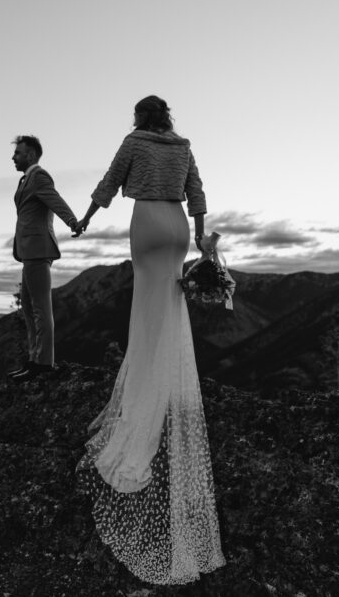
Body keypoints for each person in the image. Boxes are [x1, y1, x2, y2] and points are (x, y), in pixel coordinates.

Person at [73, 96, 225, 584]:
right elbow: (197, 192)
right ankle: (167, 380)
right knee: (170, 304)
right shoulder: (182, 146)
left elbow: (108, 184)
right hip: (178, 227)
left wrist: (86, 219)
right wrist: (201, 238)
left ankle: (144, 389)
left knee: (145, 310)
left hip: (146, 224)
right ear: (169, 118)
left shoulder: (134, 142)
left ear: (140, 117)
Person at [8, 135, 79, 381]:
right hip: (29, 250)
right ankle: (34, 360)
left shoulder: (39, 176)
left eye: (18, 153)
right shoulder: (25, 179)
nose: (13, 157)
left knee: (40, 308)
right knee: (28, 307)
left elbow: (55, 201)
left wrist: (72, 221)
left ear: (30, 155)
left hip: (38, 249)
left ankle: (44, 363)